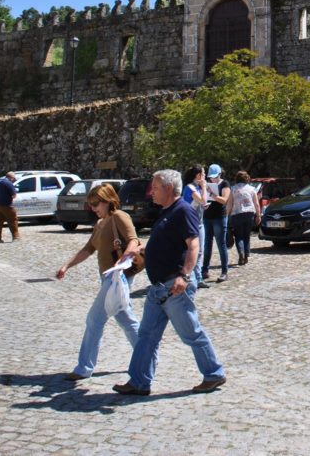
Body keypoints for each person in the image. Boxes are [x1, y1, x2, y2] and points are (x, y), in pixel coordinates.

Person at [113, 169, 226, 396]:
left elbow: (194, 245)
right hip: (158, 288)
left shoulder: (182, 211)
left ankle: (214, 374)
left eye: (154, 187)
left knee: (191, 333)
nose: (150, 191)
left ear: (167, 188)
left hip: (174, 286)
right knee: (147, 336)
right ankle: (139, 381)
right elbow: (164, 243)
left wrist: (184, 275)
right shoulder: (166, 212)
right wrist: (139, 249)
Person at [55, 183, 141, 381]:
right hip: (109, 277)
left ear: (108, 200)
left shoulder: (119, 216)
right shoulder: (101, 223)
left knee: (94, 319)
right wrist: (67, 266)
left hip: (118, 277)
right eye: (90, 204)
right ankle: (146, 355)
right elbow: (88, 249)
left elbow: (133, 240)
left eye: (96, 203)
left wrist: (123, 259)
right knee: (126, 320)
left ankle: (84, 367)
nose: (93, 208)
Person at [201, 164, 231, 283]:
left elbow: (224, 200)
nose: (212, 179)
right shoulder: (208, 184)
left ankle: (224, 272)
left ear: (220, 174)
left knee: (221, 244)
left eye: (215, 177)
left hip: (219, 217)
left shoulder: (225, 184)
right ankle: (205, 270)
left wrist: (213, 195)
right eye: (211, 177)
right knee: (207, 245)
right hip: (207, 216)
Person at [182, 166, 210, 289]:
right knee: (194, 251)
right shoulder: (190, 187)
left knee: (199, 252)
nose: (205, 176)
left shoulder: (196, 187)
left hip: (199, 222)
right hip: (191, 224)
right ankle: (192, 277)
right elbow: (203, 200)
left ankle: (197, 278)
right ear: (198, 175)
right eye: (203, 173)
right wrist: (204, 187)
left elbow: (201, 202)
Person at [226, 170, 261, 266]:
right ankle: (246, 255)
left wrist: (226, 215)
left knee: (238, 236)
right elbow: (256, 204)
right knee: (247, 236)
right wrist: (258, 215)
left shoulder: (233, 189)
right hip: (249, 213)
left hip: (237, 214)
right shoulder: (252, 189)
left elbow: (229, 204)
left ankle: (241, 252)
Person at [0, 171, 19, 243]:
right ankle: (16, 237)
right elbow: (14, 195)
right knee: (13, 220)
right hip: (7, 205)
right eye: (14, 179)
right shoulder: (9, 184)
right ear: (11, 178)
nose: (14, 180)